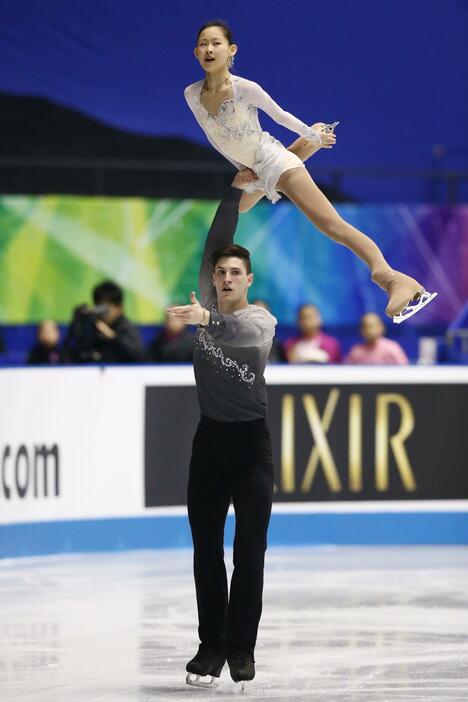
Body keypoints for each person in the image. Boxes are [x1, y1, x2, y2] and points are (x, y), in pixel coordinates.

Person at [184, 20, 437, 323]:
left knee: (331, 225)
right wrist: (245, 169)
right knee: (225, 221)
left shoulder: (245, 89)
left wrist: (311, 135)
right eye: (203, 44)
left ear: (231, 50)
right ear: (196, 52)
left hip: (275, 163)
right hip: (251, 170)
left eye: (216, 43)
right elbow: (222, 139)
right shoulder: (191, 94)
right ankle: (218, 305)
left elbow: (281, 116)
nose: (209, 49)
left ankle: (392, 278)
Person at [166, 179, 277, 689]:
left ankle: (241, 650)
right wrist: (234, 192)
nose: (227, 276)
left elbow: (240, 334)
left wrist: (207, 318)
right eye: (221, 271)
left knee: (249, 550)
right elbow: (219, 234)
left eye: (236, 272)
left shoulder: (260, 320)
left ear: (248, 279)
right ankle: (210, 646)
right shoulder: (207, 295)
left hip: (251, 447)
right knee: (205, 548)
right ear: (213, 275)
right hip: (209, 444)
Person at [62, 281, 145, 364]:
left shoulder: (126, 328)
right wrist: (77, 322)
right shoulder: (91, 325)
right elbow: (74, 353)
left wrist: (113, 337)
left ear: (119, 308)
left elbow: (138, 356)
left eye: (107, 307)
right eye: (99, 306)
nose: (103, 313)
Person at [345, 312, 409, 364]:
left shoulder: (392, 349)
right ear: (361, 330)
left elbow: (405, 372)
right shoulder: (356, 353)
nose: (370, 330)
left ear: (382, 327)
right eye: (366, 326)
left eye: (373, 326)